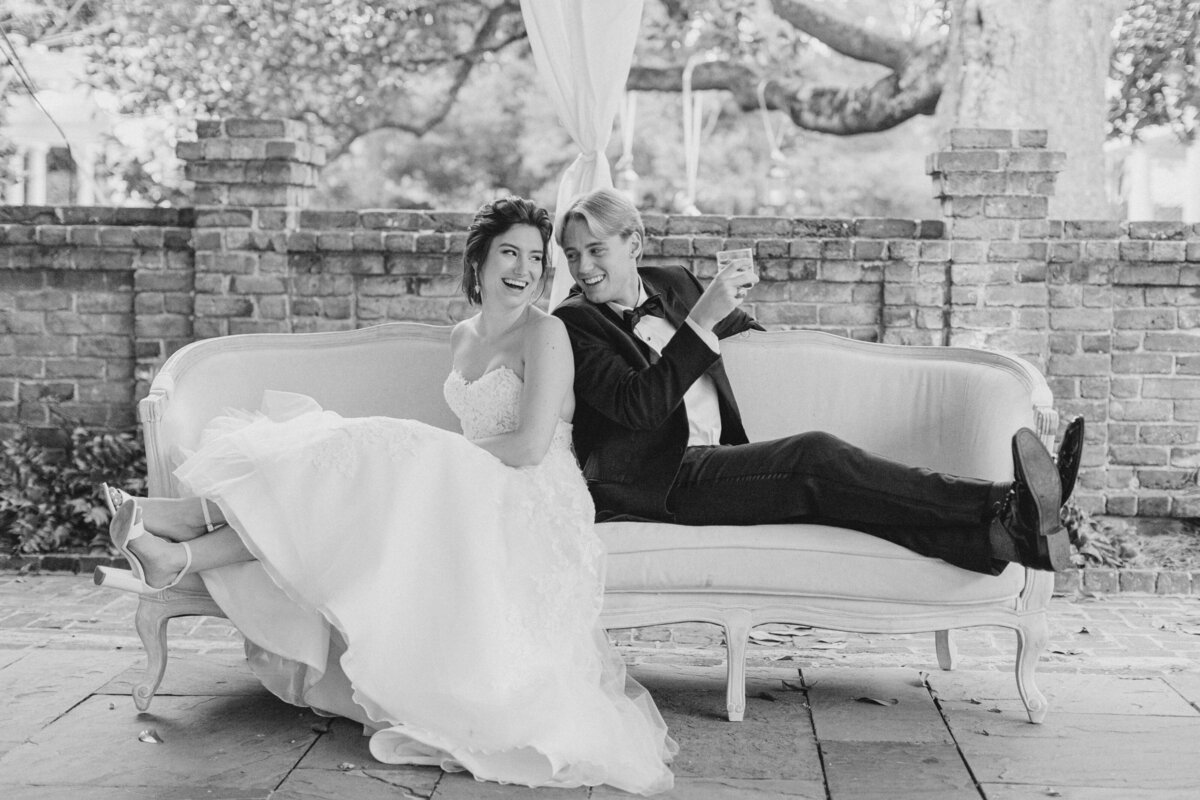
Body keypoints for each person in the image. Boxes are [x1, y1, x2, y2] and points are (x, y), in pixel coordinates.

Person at [97, 196, 677, 795]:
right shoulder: (462, 336)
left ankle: (176, 520)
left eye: (536, 257)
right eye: (510, 252)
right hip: (476, 482)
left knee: (371, 453)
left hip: (532, 495)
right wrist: (426, 459)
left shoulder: (548, 332)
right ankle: (176, 555)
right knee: (345, 482)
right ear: (478, 260)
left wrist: (423, 452)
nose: (525, 269)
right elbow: (476, 443)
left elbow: (531, 447)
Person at [551, 187, 1086, 576]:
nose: (583, 266)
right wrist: (698, 324)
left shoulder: (674, 284)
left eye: (596, 250)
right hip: (651, 481)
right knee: (813, 457)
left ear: (635, 244)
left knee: (838, 501)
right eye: (573, 255)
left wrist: (732, 309)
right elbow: (638, 407)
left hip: (712, 460)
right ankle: (1004, 503)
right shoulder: (574, 322)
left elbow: (746, 333)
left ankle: (1005, 538)